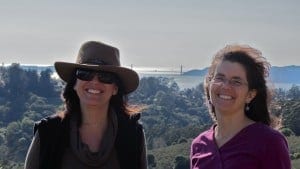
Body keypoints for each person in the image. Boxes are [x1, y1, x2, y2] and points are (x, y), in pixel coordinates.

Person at [24, 41, 147, 169]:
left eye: (105, 76)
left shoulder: (133, 135)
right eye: (85, 74)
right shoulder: (48, 134)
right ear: (74, 84)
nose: (94, 82)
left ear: (115, 88)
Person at [190, 44, 291, 169]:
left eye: (236, 81)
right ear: (209, 84)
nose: (225, 86)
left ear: (250, 95)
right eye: (219, 78)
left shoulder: (269, 142)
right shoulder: (199, 145)